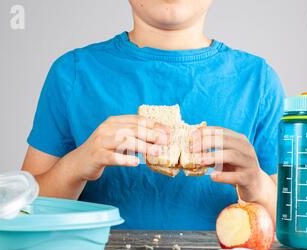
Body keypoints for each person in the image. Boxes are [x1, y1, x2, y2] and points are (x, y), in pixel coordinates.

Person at [22, 0, 284, 230]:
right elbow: (24, 213)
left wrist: (257, 185)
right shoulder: (73, 74)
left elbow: (292, 228)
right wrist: (77, 165)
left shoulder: (258, 82)